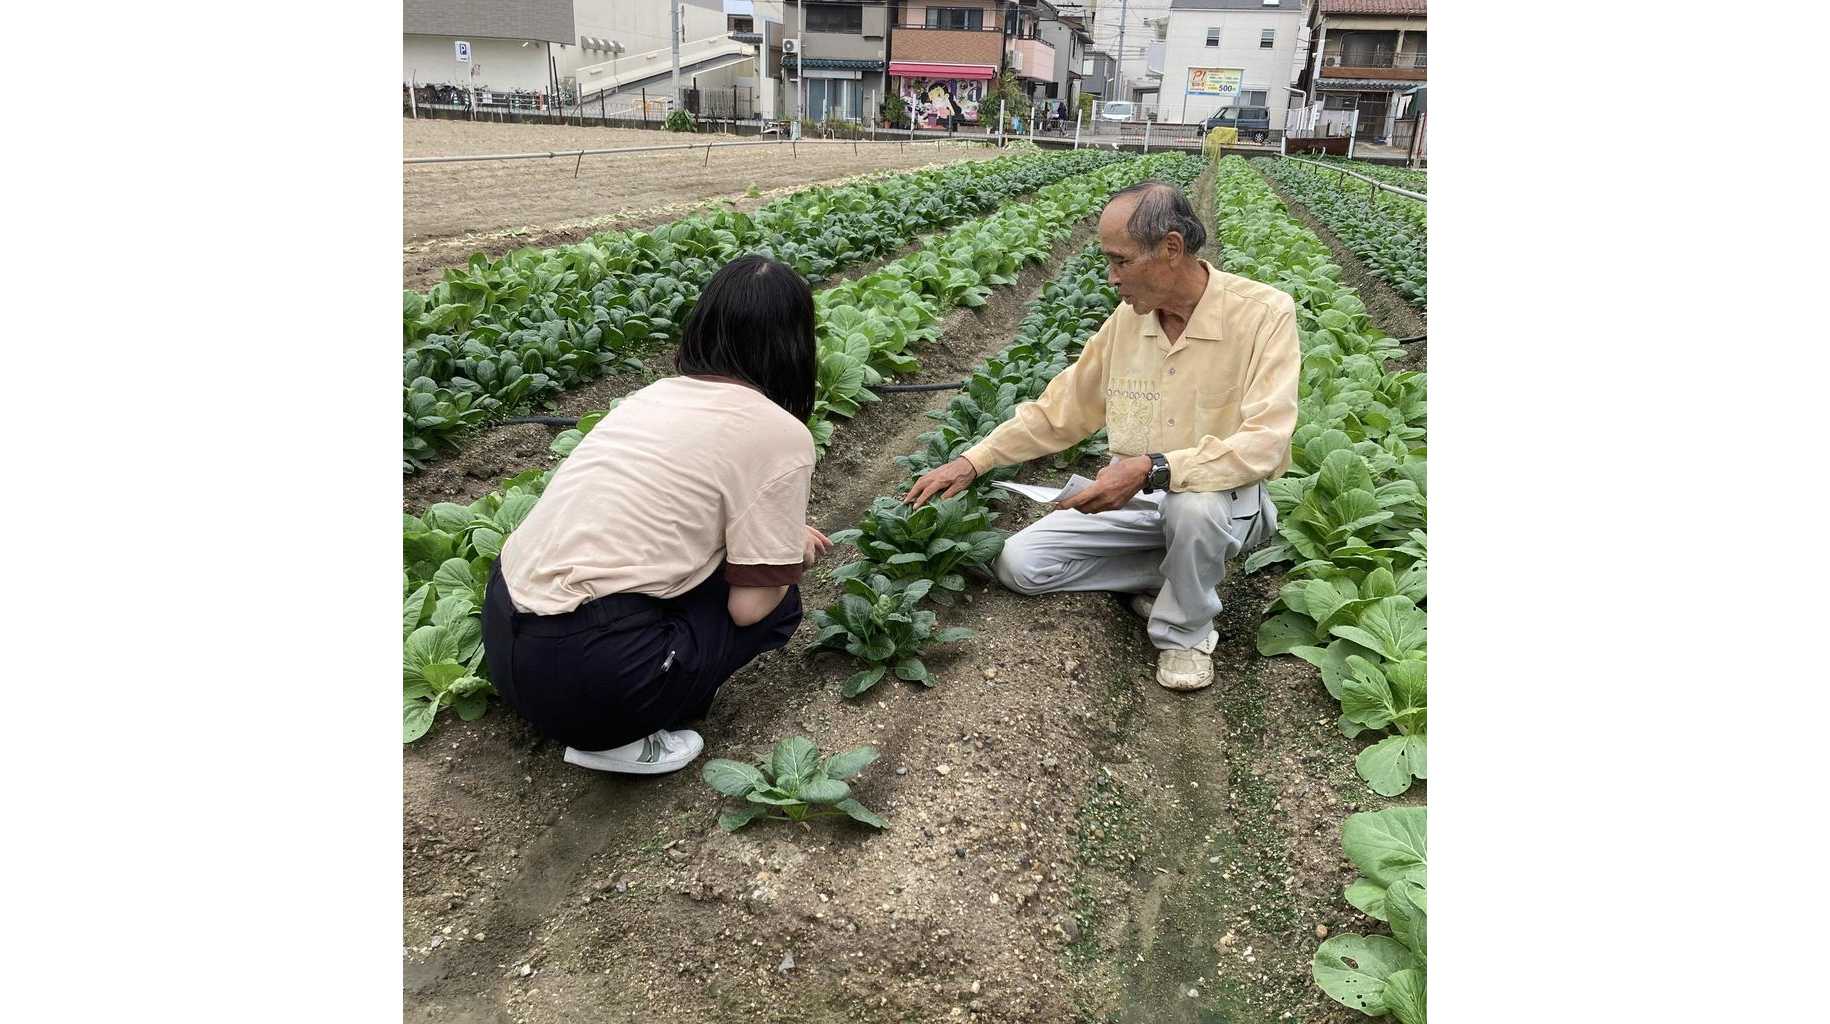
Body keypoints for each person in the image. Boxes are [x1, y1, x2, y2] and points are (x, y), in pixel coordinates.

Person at [903, 182, 1300, 692]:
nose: (1111, 277)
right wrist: (973, 462)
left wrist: (1154, 468)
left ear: (1171, 248)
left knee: (1191, 507)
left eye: (1121, 261)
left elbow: (1265, 442)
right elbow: (1061, 411)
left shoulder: (1264, 314)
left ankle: (1186, 634)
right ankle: (1175, 575)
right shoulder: (1127, 324)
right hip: (1136, 500)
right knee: (1019, 565)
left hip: (1223, 504)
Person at [482, 256, 829, 775]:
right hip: (591, 677)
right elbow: (749, 609)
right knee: (780, 599)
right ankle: (621, 736)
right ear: (796, 344)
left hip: (504, 630)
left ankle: (609, 702)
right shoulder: (780, 433)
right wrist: (788, 553)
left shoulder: (652, 396)